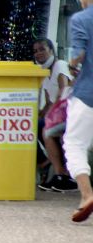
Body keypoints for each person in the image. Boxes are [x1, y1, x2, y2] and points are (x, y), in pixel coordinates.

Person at [63, 0, 93, 223]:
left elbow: (78, 54)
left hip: (87, 93)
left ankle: (86, 194)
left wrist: (72, 67)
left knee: (74, 144)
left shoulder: (81, 19)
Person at [33, 38, 75, 192]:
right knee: (31, 127)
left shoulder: (60, 65)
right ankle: (47, 164)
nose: (39, 53)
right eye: (36, 51)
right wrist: (37, 115)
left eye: (42, 49)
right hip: (57, 114)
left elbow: (63, 91)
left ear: (51, 50)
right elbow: (48, 103)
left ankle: (60, 174)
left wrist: (49, 115)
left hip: (69, 112)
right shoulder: (44, 73)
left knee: (46, 130)